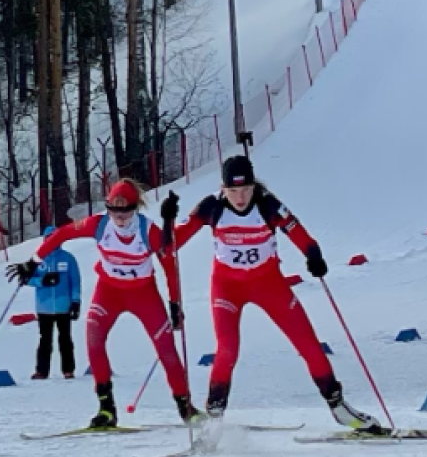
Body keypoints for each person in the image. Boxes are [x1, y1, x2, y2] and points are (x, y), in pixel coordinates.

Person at [164, 154, 382, 431]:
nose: (240, 197)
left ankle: (339, 407)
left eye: (245, 190)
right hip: (227, 287)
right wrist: (167, 221)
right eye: (233, 191)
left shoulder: (268, 205)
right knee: (227, 350)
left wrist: (312, 254)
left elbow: (300, 232)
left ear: (254, 186)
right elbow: (172, 245)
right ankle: (214, 421)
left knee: (308, 343)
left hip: (268, 283)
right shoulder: (211, 207)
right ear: (223, 188)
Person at [7, 179, 201, 429]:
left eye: (126, 211)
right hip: (109, 292)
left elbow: (169, 267)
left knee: (166, 348)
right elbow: (62, 234)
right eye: (114, 211)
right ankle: (106, 408)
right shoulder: (99, 225)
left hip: (143, 294)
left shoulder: (148, 232)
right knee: (94, 340)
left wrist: (175, 304)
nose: (120, 218)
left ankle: (186, 408)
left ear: (135, 208)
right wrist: (34, 261)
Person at [23, 225, 81, 380]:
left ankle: (68, 369)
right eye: (48, 238)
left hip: (63, 305)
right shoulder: (38, 259)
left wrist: (76, 301)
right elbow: (26, 279)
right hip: (44, 306)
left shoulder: (68, 258)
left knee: (65, 338)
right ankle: (42, 370)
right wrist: (42, 280)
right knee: (45, 339)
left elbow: (75, 281)